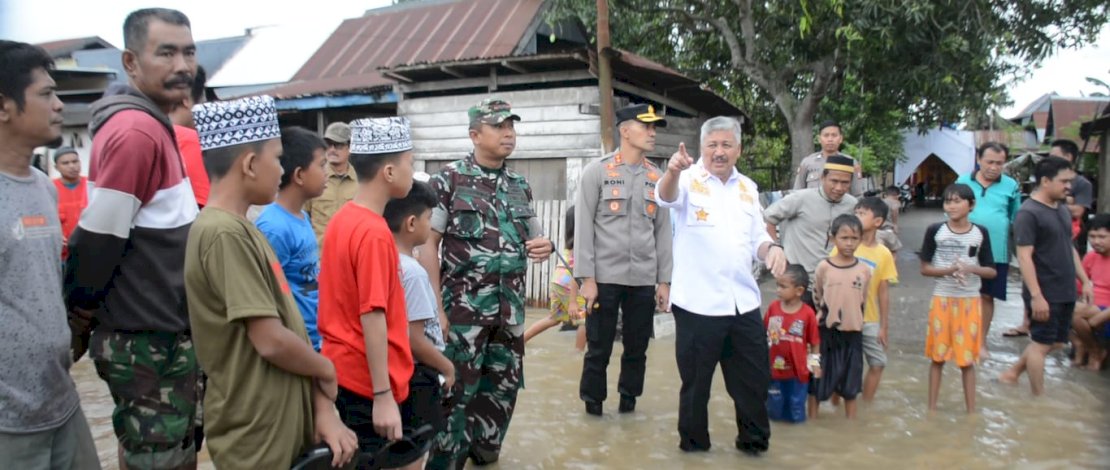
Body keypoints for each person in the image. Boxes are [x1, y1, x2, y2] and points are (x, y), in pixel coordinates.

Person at [184, 96, 357, 468]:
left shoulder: (243, 227)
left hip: (276, 421)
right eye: (277, 158)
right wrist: (325, 369)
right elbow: (271, 340)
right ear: (249, 164)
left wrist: (319, 406)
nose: (282, 170)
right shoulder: (223, 234)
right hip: (257, 434)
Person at [63, 9, 202, 469]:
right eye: (166, 52)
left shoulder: (153, 124)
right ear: (130, 61)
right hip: (146, 338)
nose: (182, 65)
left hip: (160, 332)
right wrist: (80, 314)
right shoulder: (136, 131)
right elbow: (97, 239)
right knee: (158, 460)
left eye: (189, 51)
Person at [421, 98, 554, 468]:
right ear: (475, 134)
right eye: (499, 126)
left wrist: (545, 246)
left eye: (511, 125)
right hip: (461, 311)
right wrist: (435, 308)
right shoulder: (447, 180)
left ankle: (485, 453)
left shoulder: (519, 185)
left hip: (509, 312)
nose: (508, 133)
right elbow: (428, 243)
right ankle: (446, 461)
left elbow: (535, 237)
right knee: (455, 392)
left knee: (503, 389)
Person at [656, 116, 786, 455]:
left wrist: (772, 249)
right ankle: (695, 451)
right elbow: (664, 198)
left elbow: (758, 236)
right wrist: (671, 171)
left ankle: (753, 446)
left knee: (753, 382)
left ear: (738, 149)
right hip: (698, 305)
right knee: (696, 386)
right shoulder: (685, 180)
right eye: (712, 145)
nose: (719, 151)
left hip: (742, 303)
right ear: (702, 148)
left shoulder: (748, 188)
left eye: (726, 144)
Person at [0, 39, 100, 470]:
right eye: (45, 94)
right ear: (4, 107)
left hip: (60, 401)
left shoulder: (41, 186)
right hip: (9, 423)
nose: (59, 105)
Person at [317, 117, 432, 470]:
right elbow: (373, 314)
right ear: (388, 171)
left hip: (342, 373)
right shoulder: (375, 233)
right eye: (410, 163)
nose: (412, 173)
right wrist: (383, 395)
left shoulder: (342, 219)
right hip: (369, 383)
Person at [575, 103, 673, 416]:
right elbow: (583, 228)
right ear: (625, 130)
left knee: (637, 349)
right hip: (603, 279)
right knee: (598, 348)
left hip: (643, 279)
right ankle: (593, 406)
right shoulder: (597, 172)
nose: (652, 133)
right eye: (646, 126)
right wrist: (586, 279)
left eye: (655, 127)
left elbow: (663, 234)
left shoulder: (658, 179)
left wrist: (665, 281)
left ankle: (628, 401)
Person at [998, 157, 1093, 396]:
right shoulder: (1028, 213)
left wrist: (1085, 280)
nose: (1069, 186)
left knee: (1056, 342)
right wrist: (1036, 296)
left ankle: (1012, 374)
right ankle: (1038, 398)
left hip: (1065, 289)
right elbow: (1024, 257)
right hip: (1045, 290)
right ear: (1045, 181)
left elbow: (1068, 246)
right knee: (1041, 344)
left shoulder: (1061, 209)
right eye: (1064, 181)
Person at [385, 179, 453, 468]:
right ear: (412, 223)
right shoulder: (411, 272)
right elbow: (414, 338)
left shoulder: (386, 260)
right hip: (419, 374)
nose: (431, 225)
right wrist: (446, 366)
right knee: (416, 454)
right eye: (429, 218)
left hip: (398, 373)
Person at [919, 183, 996, 413]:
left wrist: (971, 269)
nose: (951, 206)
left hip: (970, 301)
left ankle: (971, 411)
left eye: (956, 201)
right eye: (947, 201)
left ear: (971, 205)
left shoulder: (980, 233)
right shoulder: (935, 231)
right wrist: (949, 270)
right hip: (942, 298)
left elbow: (991, 271)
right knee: (937, 358)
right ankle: (931, 409)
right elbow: (924, 268)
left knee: (967, 361)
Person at [254, 127, 328, 351]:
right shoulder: (274, 228)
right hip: (295, 342)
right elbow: (267, 295)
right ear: (298, 175)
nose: (327, 172)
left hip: (314, 337)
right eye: (322, 165)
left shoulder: (302, 216)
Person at [765, 153, 859, 300]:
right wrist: (776, 249)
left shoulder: (852, 205)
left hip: (835, 284)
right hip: (800, 284)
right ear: (823, 178)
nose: (839, 187)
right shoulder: (800, 198)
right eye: (833, 181)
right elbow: (768, 218)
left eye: (845, 183)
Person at [954, 143, 1021, 350]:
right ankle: (959, 336)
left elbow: (1015, 217)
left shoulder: (1011, 185)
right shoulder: (963, 181)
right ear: (979, 159)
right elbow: (951, 208)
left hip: (997, 250)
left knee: (987, 295)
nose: (994, 167)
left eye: (999, 163)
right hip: (964, 246)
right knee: (960, 292)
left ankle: (980, 341)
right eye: (990, 162)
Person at [831, 197, 896, 403]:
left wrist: (884, 326)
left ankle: (866, 405)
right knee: (840, 365)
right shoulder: (845, 246)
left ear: (877, 222)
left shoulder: (883, 253)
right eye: (856, 212)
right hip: (843, 318)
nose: (856, 216)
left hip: (869, 319)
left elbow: (883, 292)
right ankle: (834, 405)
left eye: (862, 213)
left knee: (878, 363)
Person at [812, 214, 871, 419]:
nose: (849, 243)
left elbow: (862, 298)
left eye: (854, 238)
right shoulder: (824, 267)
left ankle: (851, 427)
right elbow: (818, 294)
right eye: (844, 238)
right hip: (826, 333)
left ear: (860, 240)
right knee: (817, 380)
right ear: (832, 238)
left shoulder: (864, 270)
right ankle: (812, 423)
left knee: (851, 385)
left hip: (853, 332)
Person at [524, 205, 587, 352]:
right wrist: (572, 302)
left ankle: (521, 341)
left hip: (558, 279)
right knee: (586, 320)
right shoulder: (582, 243)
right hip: (570, 283)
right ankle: (578, 354)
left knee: (554, 319)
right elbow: (576, 272)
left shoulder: (572, 242)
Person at [764, 265, 821, 424]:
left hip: (798, 373)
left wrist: (815, 365)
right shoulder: (773, 308)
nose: (778, 290)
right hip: (774, 372)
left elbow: (815, 342)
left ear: (799, 291)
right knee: (774, 408)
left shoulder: (807, 314)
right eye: (777, 285)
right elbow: (766, 337)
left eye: (783, 286)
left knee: (796, 409)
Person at [304, 121, 356, 247]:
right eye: (328, 145)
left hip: (351, 255)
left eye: (338, 145)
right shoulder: (314, 178)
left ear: (350, 148)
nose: (332, 150)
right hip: (321, 258)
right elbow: (302, 218)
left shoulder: (361, 181)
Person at [1070, 214, 1110, 370]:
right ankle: (1080, 344)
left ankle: (1094, 351)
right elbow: (1078, 287)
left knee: (1076, 312)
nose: (1096, 241)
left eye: (1102, 237)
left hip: (1105, 312)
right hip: (1092, 310)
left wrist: (1102, 315)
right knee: (1056, 305)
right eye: (1092, 237)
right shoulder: (1091, 257)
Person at [169, 65, 209, 209]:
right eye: (203, 99)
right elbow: (206, 213)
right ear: (186, 99)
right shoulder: (191, 142)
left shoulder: (142, 133)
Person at [792, 120, 863, 196]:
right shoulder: (807, 162)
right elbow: (797, 192)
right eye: (826, 135)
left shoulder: (850, 162)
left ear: (841, 138)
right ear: (819, 139)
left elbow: (857, 194)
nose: (830, 139)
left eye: (834, 135)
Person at [1049, 139, 1093, 255]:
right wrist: (1068, 201)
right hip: (1047, 235)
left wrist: (1053, 201)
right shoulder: (1047, 179)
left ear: (1068, 156)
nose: (1050, 160)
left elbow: (1078, 211)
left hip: (1072, 238)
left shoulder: (1082, 183)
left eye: (1054, 156)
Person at [52, 146, 87, 260]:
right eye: (65, 163)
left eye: (75, 161)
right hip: (62, 254)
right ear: (56, 167)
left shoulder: (92, 185)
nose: (72, 166)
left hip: (90, 250)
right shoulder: (49, 188)